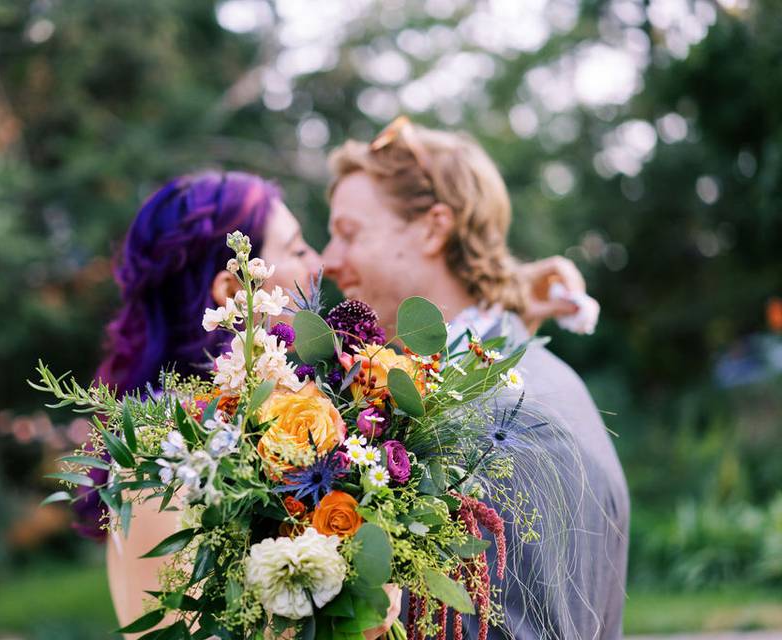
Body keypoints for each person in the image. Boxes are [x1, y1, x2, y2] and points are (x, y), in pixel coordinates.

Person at [90, 168, 590, 638]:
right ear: (233, 290)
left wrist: (510, 302)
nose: (319, 263)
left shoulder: (250, 424)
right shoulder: (165, 459)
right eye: (298, 248)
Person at [322, 117, 629, 639]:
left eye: (349, 233)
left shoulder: (504, 425)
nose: (328, 260)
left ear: (435, 227)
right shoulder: (535, 379)